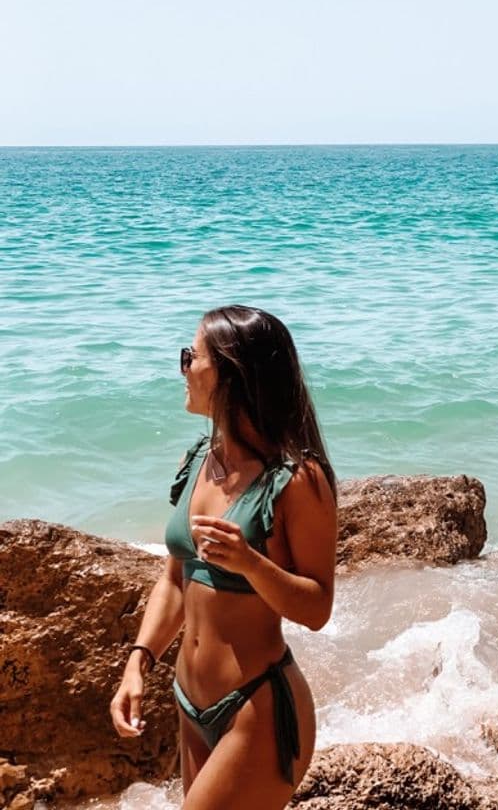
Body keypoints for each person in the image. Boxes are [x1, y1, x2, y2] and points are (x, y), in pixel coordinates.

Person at [110, 305, 338, 809]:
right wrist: (138, 662)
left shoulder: (298, 480)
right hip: (191, 705)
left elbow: (317, 608)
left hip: (255, 709)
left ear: (233, 374)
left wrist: (250, 563)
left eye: (193, 356)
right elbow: (175, 579)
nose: (184, 367)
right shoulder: (198, 460)